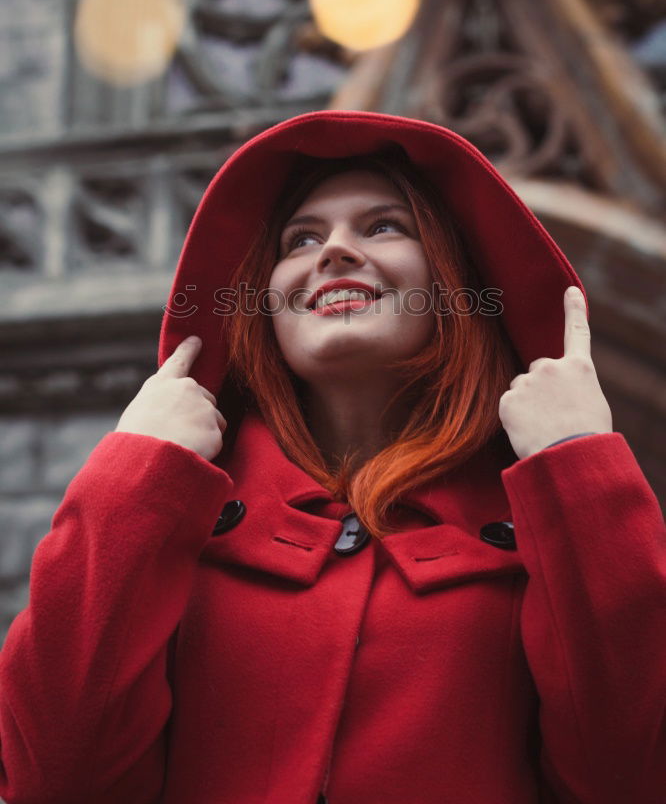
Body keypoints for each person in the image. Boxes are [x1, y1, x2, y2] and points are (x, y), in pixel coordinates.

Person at [0, 110, 664, 804]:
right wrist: (131, 474)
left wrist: (578, 463)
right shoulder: (172, 512)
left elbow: (630, 776)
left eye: (384, 226)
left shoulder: (544, 521)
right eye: (301, 238)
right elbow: (55, 779)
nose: (334, 252)